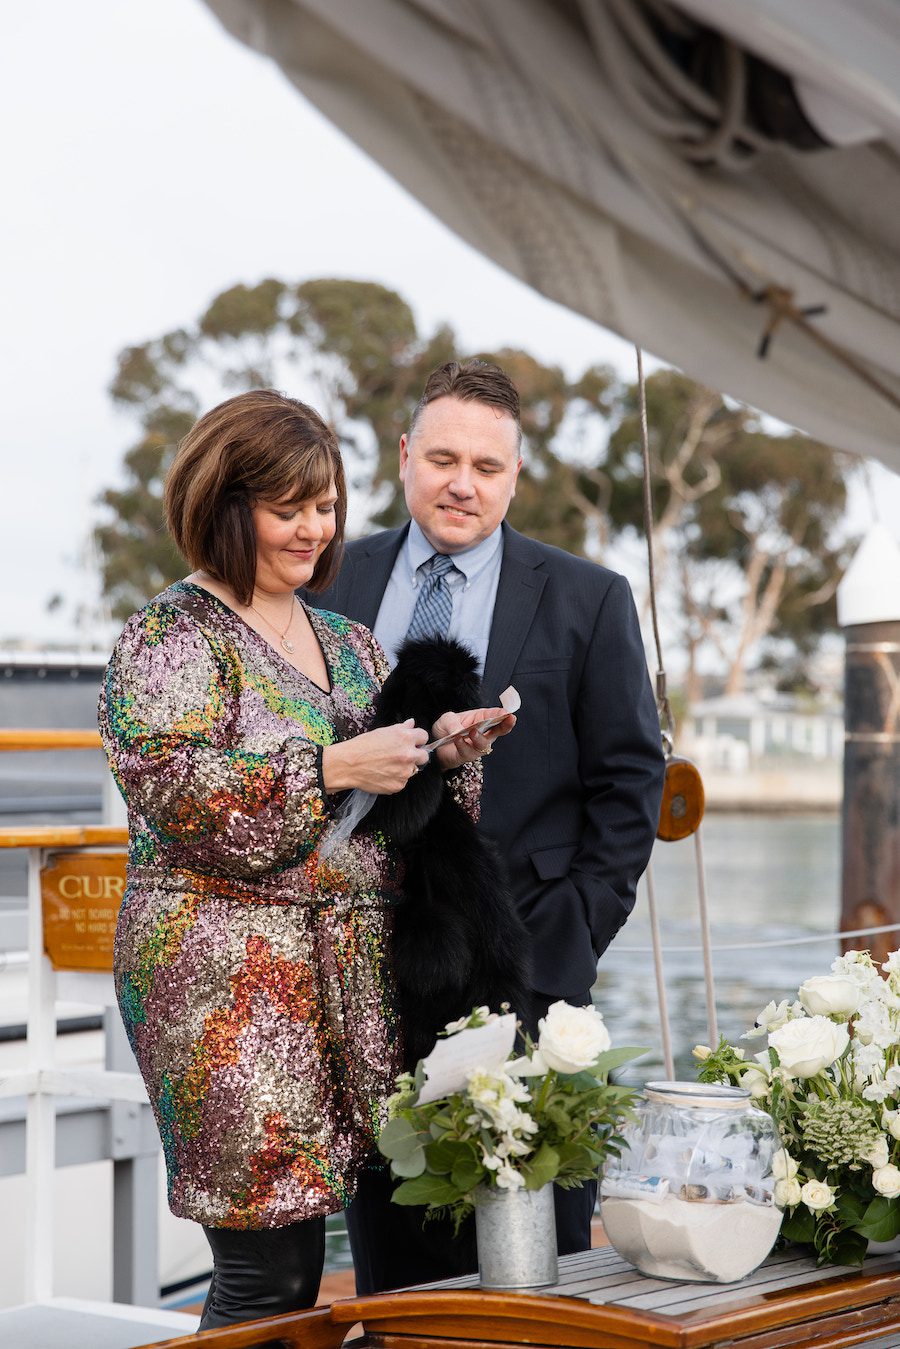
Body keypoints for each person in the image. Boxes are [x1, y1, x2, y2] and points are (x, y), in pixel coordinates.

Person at [97, 389, 514, 1329]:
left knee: (311, 1260)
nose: (314, 529)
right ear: (224, 503)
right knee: (265, 1268)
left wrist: (444, 758)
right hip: (225, 981)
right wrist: (331, 764)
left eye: (325, 506)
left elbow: (382, 816)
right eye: (289, 508)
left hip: (342, 976)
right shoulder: (171, 636)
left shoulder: (350, 643)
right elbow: (179, 792)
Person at [308, 359, 665, 1291]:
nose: (462, 482)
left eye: (487, 466)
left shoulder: (589, 598)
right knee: (394, 1251)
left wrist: (578, 927)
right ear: (403, 458)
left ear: (515, 476)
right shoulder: (329, 581)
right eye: (442, 458)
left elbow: (631, 779)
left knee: (540, 1258)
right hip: (366, 967)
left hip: (532, 963)